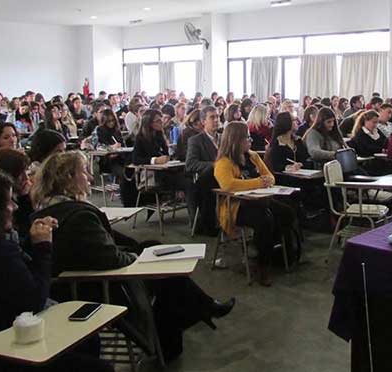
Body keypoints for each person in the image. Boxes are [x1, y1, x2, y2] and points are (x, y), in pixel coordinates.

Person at [30, 151, 234, 361]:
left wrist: (139, 251)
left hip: (81, 280)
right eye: (84, 171)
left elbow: (101, 249)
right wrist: (138, 257)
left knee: (154, 252)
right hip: (99, 287)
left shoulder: (47, 209)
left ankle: (200, 310)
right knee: (168, 277)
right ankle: (189, 321)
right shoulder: (78, 216)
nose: (90, 177)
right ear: (69, 178)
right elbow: (111, 259)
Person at [0, 170, 111, 372]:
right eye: (9, 202)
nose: (15, 206)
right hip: (1, 350)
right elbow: (34, 300)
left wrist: (30, 242)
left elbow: (17, 282)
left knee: (88, 342)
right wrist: (42, 247)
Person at [214, 122, 297, 286]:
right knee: (265, 220)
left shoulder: (253, 156)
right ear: (236, 140)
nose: (250, 141)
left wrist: (265, 181)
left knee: (287, 213)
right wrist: (259, 182)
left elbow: (270, 177)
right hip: (236, 208)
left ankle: (269, 251)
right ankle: (262, 265)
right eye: (247, 138)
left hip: (260, 200)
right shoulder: (223, 163)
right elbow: (229, 185)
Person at [0, 148, 34, 243]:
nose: (26, 177)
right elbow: (24, 232)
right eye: (20, 173)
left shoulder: (16, 195)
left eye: (26, 172)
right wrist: (25, 198)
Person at [185, 107, 221, 236]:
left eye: (217, 116)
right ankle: (208, 224)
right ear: (203, 121)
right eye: (212, 117)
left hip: (224, 177)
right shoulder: (196, 141)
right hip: (205, 180)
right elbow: (190, 165)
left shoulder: (224, 138)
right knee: (209, 178)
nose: (216, 120)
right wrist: (214, 165)